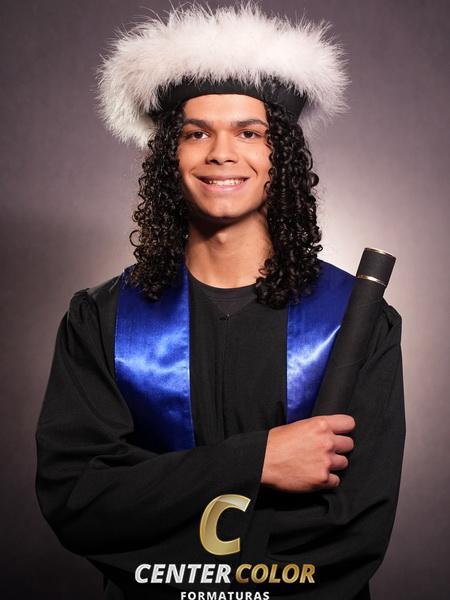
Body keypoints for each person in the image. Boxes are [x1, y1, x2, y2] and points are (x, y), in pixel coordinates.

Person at [35, 3, 405, 599]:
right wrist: (256, 461)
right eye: (196, 132)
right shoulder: (102, 319)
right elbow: (79, 501)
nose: (221, 153)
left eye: (249, 132)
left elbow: (353, 529)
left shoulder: (353, 322)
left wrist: (166, 508)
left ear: (281, 153)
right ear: (170, 154)